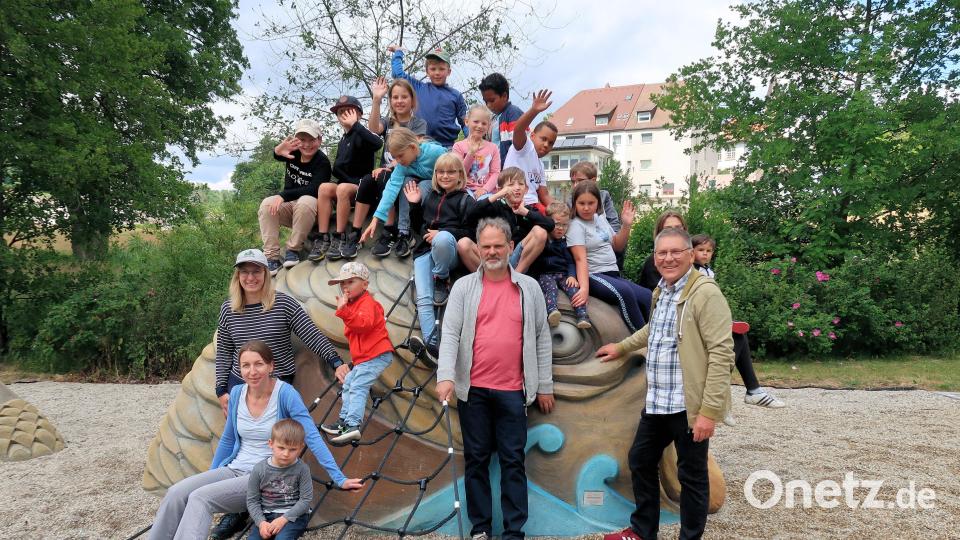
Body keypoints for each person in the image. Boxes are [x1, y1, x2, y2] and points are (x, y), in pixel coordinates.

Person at [596, 228, 734, 540]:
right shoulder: (663, 290)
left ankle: (689, 536)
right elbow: (653, 330)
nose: (668, 258)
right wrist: (621, 347)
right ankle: (644, 531)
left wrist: (709, 412)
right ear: (655, 257)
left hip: (688, 406)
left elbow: (722, 353)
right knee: (640, 460)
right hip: (659, 402)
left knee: (692, 475)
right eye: (662, 253)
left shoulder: (705, 294)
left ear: (690, 254)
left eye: (675, 252)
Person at [150, 341, 363, 540]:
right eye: (246, 366)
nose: (252, 371)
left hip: (266, 476)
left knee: (200, 498)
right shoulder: (237, 393)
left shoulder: (285, 394)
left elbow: (312, 436)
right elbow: (228, 439)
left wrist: (338, 477)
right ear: (240, 369)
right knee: (176, 493)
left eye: (258, 364)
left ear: (271, 366)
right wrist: (212, 475)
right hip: (235, 469)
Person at [210, 249, 349, 539]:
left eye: (256, 271)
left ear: (265, 274)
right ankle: (237, 508)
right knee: (239, 443)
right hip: (241, 384)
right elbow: (224, 350)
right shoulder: (229, 309)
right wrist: (222, 388)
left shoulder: (283, 304)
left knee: (278, 444)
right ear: (238, 276)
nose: (250, 277)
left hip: (277, 381)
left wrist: (335, 361)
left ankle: (282, 505)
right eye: (245, 272)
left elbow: (310, 333)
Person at [435, 217, 555, 540]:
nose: (491, 252)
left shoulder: (528, 289)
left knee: (513, 462)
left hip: (514, 392)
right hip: (472, 392)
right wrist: (445, 376)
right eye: (485, 246)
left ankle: (514, 531)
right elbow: (449, 334)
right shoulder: (463, 288)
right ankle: (481, 528)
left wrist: (544, 385)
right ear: (477, 248)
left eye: (498, 246)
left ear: (511, 247)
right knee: (475, 461)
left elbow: (542, 338)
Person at [690, 234, 785, 414]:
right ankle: (734, 389)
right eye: (701, 250)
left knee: (739, 334)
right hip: (698, 321)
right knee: (737, 338)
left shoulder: (707, 271)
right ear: (691, 251)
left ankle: (746, 390)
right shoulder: (692, 272)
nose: (705, 254)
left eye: (709, 251)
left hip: (712, 317)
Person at [404, 153, 476, 356]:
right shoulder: (431, 197)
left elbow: (471, 233)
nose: (445, 176)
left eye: (451, 172)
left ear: (460, 174)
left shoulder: (465, 200)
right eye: (441, 172)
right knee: (424, 298)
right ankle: (432, 346)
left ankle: (442, 277)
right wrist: (414, 204)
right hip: (425, 251)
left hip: (448, 253)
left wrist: (443, 233)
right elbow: (418, 227)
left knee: (442, 238)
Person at [353, 77, 429, 259]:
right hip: (384, 171)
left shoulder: (418, 124)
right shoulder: (388, 122)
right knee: (366, 181)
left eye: (404, 97)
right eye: (395, 97)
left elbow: (414, 150)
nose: (400, 101)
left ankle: (390, 230)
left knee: (386, 179)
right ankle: (355, 232)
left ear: (412, 100)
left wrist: (390, 166)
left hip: (405, 170)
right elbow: (373, 128)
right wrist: (376, 100)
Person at [320, 262, 395, 444]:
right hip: (365, 358)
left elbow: (364, 324)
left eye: (350, 282)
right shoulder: (354, 305)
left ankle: (353, 425)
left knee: (358, 386)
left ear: (365, 284)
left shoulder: (368, 303)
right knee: (348, 384)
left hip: (376, 354)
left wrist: (344, 311)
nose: (345, 287)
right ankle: (344, 422)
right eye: (342, 283)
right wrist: (346, 310)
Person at [567, 181, 651, 332]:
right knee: (624, 292)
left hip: (612, 273)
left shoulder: (600, 219)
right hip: (594, 275)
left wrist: (626, 225)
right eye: (581, 203)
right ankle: (641, 337)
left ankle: (659, 332)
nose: (586, 208)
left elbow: (617, 245)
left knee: (647, 296)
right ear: (575, 204)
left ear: (598, 203)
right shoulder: (575, 225)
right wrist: (584, 289)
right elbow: (580, 259)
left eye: (591, 203)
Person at [310, 96, 383, 262]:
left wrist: (355, 125)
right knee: (324, 188)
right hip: (346, 186)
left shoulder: (361, 133)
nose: (344, 115)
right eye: (340, 112)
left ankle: (340, 236)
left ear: (358, 113)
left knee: (342, 188)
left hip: (362, 188)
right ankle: (323, 237)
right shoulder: (343, 139)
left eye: (348, 111)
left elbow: (377, 143)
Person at [261, 119, 331, 274]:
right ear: (296, 140)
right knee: (267, 204)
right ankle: (271, 257)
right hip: (292, 208)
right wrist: (277, 150)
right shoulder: (294, 152)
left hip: (311, 211)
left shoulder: (323, 163)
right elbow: (278, 155)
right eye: (302, 140)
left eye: (312, 140)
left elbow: (314, 189)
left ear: (320, 140)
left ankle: (293, 250)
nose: (306, 145)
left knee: (306, 201)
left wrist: (283, 195)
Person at [359, 128, 446, 246]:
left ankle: (426, 227)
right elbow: (391, 188)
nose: (398, 161)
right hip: (419, 185)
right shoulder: (402, 166)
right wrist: (376, 219)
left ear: (413, 148)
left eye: (400, 156)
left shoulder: (435, 152)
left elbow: (453, 164)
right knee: (407, 182)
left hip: (438, 183)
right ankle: (403, 232)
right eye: (395, 157)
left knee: (422, 185)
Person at [461, 167, 553, 274]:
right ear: (501, 190)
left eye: (521, 184)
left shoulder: (529, 211)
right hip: (493, 258)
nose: (517, 188)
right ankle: (487, 281)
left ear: (526, 189)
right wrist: (497, 195)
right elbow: (469, 213)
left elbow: (551, 225)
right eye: (511, 185)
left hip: (517, 263)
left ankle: (516, 278)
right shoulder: (494, 207)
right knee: (463, 244)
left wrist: (524, 212)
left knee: (540, 231)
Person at [246, 419, 312, 540]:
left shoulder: (302, 469)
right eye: (281, 448)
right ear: (271, 443)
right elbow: (252, 500)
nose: (286, 454)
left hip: (293, 516)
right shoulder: (259, 469)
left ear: (301, 447)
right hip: (266, 515)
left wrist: (283, 519)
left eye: (292, 449)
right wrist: (261, 523)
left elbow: (306, 500)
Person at [389, 45, 467, 148]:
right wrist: (398, 52)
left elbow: (465, 122)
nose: (437, 73)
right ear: (427, 72)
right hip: (420, 145)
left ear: (449, 72)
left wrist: (473, 141)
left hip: (447, 147)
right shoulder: (418, 87)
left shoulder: (456, 95)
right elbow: (397, 74)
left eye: (441, 69)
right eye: (433, 69)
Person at [530, 201, 591, 329]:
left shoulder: (565, 243)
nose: (560, 228)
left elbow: (570, 262)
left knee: (573, 289)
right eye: (557, 224)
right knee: (551, 288)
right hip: (546, 275)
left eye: (564, 225)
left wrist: (572, 276)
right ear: (548, 222)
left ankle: (582, 315)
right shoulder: (543, 240)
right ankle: (552, 311)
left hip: (563, 275)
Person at [504, 89, 557, 210]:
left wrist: (561, 209)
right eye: (543, 139)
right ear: (532, 136)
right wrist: (534, 110)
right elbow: (518, 129)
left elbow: (544, 195)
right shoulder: (525, 147)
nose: (546, 144)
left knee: (560, 218)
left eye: (550, 143)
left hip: (533, 205)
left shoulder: (540, 166)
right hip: (517, 202)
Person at [452, 104, 501, 199]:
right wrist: (470, 153)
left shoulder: (493, 148)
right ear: (466, 121)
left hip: (486, 191)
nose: (480, 126)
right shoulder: (458, 146)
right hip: (464, 190)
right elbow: (459, 174)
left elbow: (496, 173)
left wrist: (485, 189)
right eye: (476, 122)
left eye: (484, 123)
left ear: (489, 126)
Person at [478, 73, 525, 168]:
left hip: (512, 170)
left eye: (492, 100)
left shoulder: (513, 113)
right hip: (497, 169)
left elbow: (518, 144)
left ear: (504, 96)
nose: (488, 105)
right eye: (486, 101)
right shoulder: (493, 118)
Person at [638, 210, 686, 291]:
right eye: (668, 229)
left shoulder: (692, 257)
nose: (674, 232)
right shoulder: (653, 262)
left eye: (678, 227)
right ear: (659, 233)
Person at [569, 161, 620, 233]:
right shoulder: (571, 200)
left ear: (593, 180)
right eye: (573, 181)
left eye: (580, 181)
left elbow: (614, 222)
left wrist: (612, 240)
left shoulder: (604, 196)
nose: (575, 185)